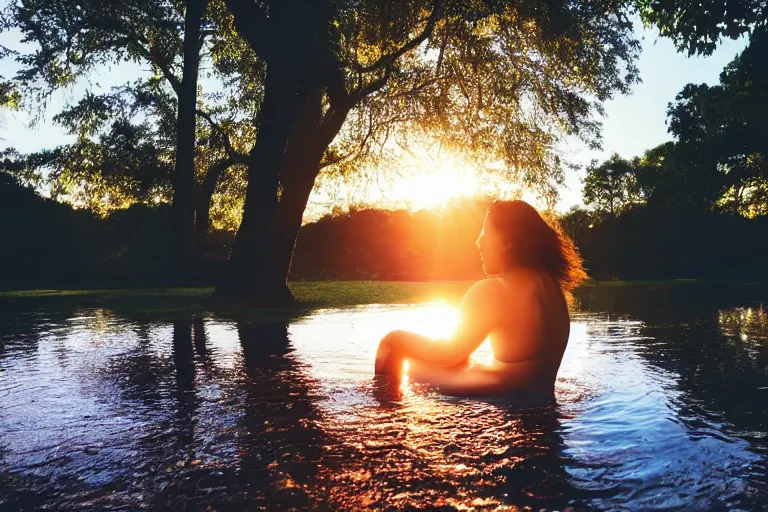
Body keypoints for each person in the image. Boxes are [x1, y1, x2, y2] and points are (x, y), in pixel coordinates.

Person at [374, 200, 587, 398]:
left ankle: (386, 423)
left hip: (501, 400)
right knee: (463, 360)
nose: (478, 242)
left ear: (507, 241)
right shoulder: (553, 289)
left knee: (397, 348)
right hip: (542, 405)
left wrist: (400, 340)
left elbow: (448, 354)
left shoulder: (495, 289)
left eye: (485, 233)